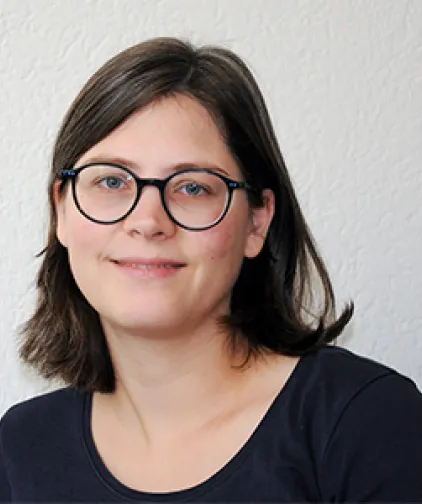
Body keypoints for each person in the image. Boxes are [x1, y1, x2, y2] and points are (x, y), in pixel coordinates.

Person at [0, 37, 421, 503]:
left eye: (193, 188)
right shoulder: (21, 447)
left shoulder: (364, 422)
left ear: (257, 222)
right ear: (61, 209)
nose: (148, 221)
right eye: (112, 181)